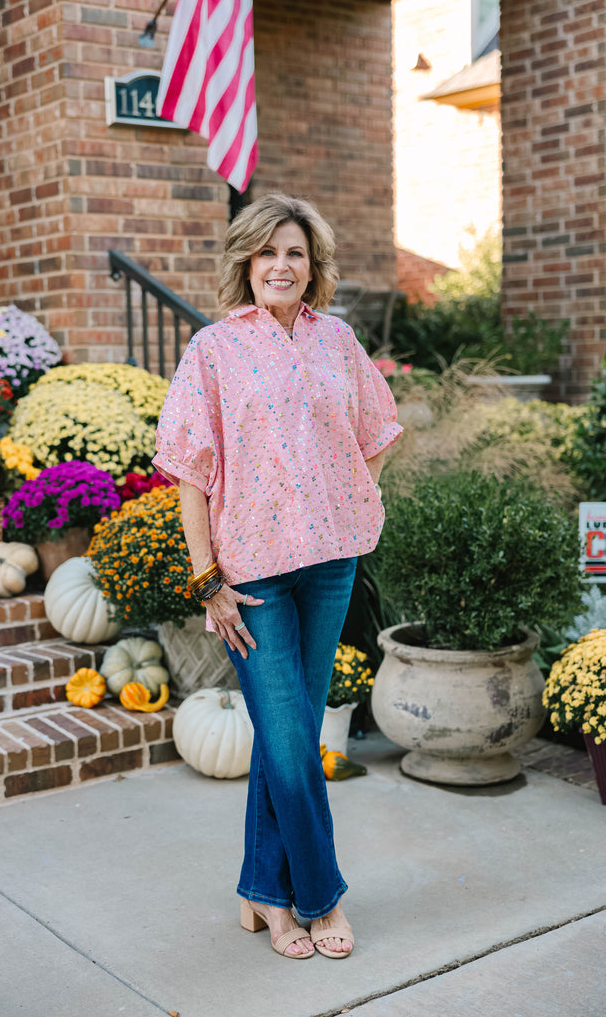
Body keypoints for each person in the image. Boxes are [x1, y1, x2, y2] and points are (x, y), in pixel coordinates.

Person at [153, 192, 402, 960]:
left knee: (280, 735)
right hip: (252, 579)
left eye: (294, 252)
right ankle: (320, 898)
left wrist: (349, 491)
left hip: (330, 564)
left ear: (312, 265)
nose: (282, 265)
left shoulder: (338, 342)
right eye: (267, 253)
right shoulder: (215, 351)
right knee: (292, 738)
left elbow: (379, 428)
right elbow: (189, 474)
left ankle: (262, 889)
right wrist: (207, 580)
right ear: (246, 264)